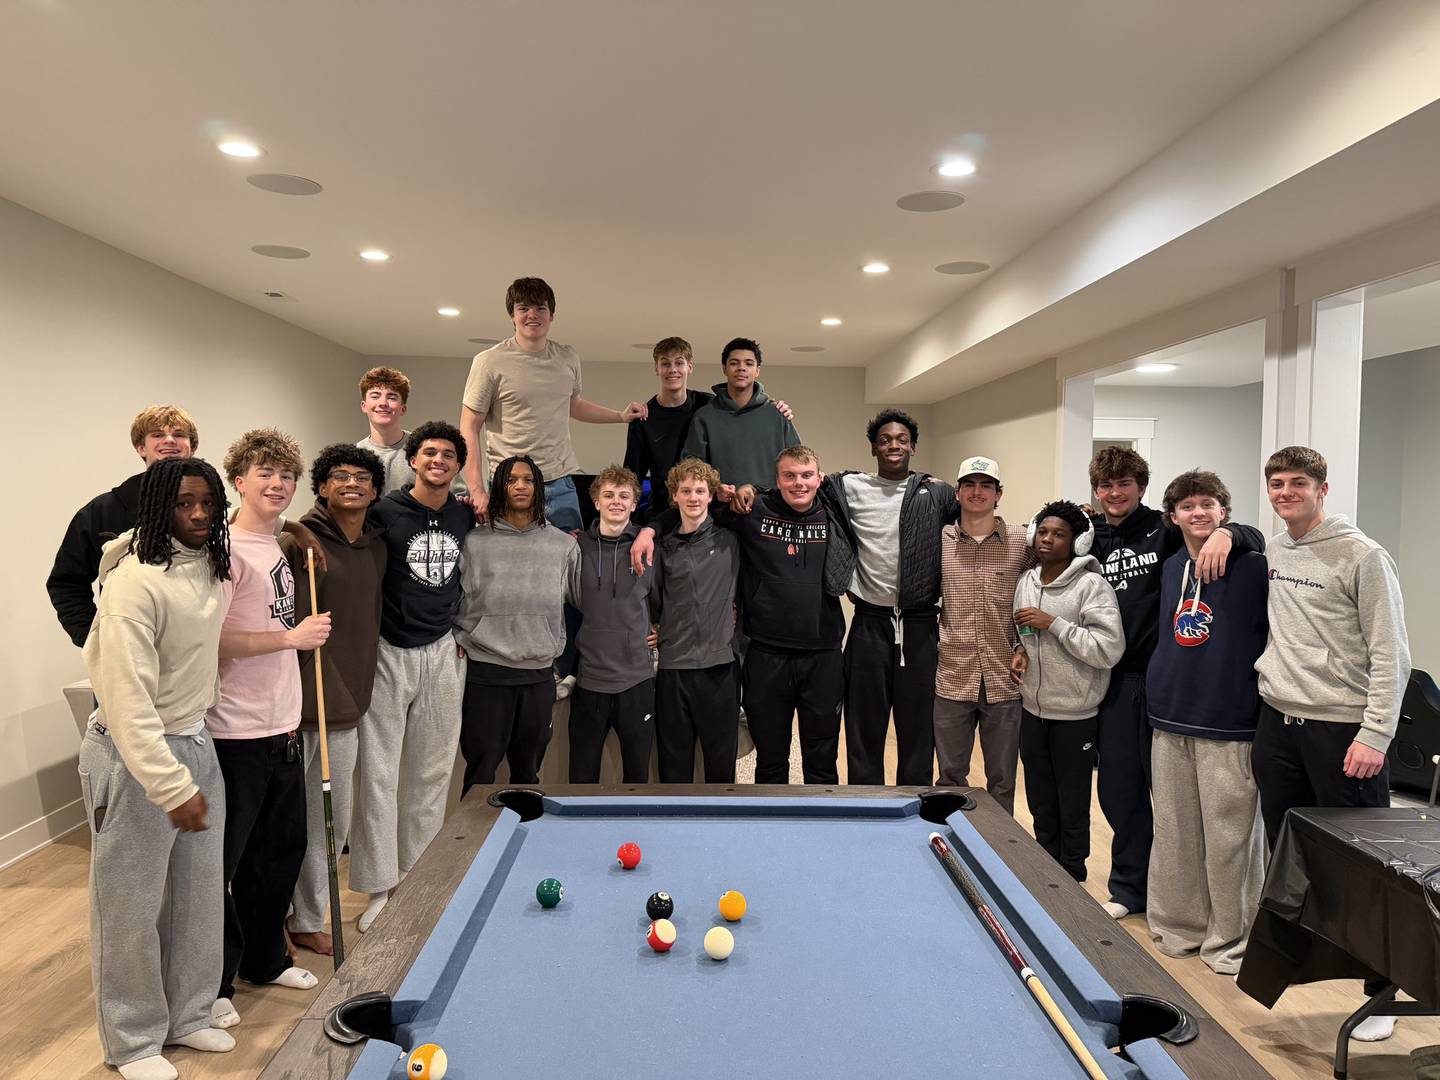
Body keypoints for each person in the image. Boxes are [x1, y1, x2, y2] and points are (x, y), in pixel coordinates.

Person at [80, 458, 237, 1080]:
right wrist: (170, 783)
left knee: (199, 896)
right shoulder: (134, 583)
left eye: (206, 503)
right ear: (156, 510)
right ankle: (133, 1040)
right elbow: (126, 703)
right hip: (132, 754)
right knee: (129, 906)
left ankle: (191, 1014)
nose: (197, 515)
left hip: (197, 742)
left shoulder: (210, 567)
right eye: (181, 504)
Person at [1252, 445, 1410, 1043]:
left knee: (1368, 870)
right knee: (1289, 857)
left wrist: (1376, 733)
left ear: (1322, 488)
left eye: (1297, 483)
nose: (1285, 492)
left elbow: (1392, 652)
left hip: (1343, 732)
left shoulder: (1363, 555)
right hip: (1278, 724)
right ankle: (1302, 963)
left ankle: (1383, 991)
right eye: (1275, 483)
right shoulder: (1275, 547)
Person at [1086, 446, 1264, 920]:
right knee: (1120, 792)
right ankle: (1130, 889)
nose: (1114, 492)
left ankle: (1199, 900)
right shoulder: (1094, 535)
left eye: (1124, 484)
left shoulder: (1162, 531)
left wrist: (1230, 530)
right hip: (1115, 682)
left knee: (1176, 801)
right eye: (1106, 485)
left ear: (1141, 489)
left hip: (1168, 682)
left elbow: (1231, 534)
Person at [209, 430, 330, 1030]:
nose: (278, 483)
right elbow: (212, 641)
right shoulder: (223, 550)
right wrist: (291, 637)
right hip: (235, 729)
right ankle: (211, 983)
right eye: (265, 473)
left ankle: (265, 959)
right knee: (224, 861)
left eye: (286, 475)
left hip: (283, 723)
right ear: (238, 481)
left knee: (280, 851)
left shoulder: (279, 545)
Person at [349, 421, 473, 934]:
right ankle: (380, 886)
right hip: (387, 652)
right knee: (378, 774)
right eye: (429, 453)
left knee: (431, 772)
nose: (438, 460)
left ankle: (418, 878)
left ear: (457, 466)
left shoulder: (465, 516)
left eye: (448, 454)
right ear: (413, 461)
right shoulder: (383, 513)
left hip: (443, 650)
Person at [1145, 470, 1267, 976]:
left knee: (1230, 839)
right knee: (1174, 832)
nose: (1199, 513)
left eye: (1209, 505)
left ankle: (1231, 940)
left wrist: (1237, 535)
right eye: (1188, 506)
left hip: (1229, 721)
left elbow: (1263, 538)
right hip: (1170, 716)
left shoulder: (1251, 563)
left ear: (1224, 511)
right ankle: (1180, 926)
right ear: (1173, 517)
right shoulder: (1172, 565)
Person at [281, 444, 387, 957]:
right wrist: (297, 526)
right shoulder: (296, 542)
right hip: (302, 700)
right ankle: (297, 917)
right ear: (321, 487)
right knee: (305, 819)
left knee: (328, 819)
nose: (352, 483)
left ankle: (301, 916)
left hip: (349, 696)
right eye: (339, 476)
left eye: (362, 477)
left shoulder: (376, 545)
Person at [823, 410, 954, 786]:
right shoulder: (848, 487)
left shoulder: (937, 493)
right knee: (863, 728)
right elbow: (801, 481)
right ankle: (866, 806)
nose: (893, 445)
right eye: (884, 440)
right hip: (869, 623)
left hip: (920, 626)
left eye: (900, 439)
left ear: (913, 446)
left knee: (918, 730)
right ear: (873, 448)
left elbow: (976, 519)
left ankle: (912, 808)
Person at [710, 446, 853, 782]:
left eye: (806, 475)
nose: (798, 483)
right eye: (789, 476)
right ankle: (770, 830)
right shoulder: (753, 510)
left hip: (823, 654)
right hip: (765, 653)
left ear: (819, 478)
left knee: (822, 758)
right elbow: (698, 510)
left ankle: (821, 827)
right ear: (776, 480)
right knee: (771, 757)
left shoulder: (836, 514)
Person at [458, 276, 645, 527]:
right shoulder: (489, 362)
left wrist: (620, 417)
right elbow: (469, 427)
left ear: (551, 314)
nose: (532, 315)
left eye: (540, 308)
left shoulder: (567, 357)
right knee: (512, 562)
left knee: (569, 560)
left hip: (560, 483)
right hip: (511, 483)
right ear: (512, 315)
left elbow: (572, 404)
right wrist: (477, 489)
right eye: (523, 308)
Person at [454, 455, 581, 791]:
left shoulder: (564, 546)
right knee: (480, 776)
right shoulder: (475, 541)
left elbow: (582, 602)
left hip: (538, 675)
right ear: (500, 487)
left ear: (538, 488)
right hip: (486, 674)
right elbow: (454, 601)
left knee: (528, 777)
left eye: (527, 480)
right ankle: (473, 846)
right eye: (511, 480)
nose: (520, 486)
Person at [1013, 500, 1123, 884]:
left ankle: (1072, 878)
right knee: (1041, 801)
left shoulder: (1091, 585)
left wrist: (1055, 624)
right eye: (1043, 531)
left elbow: (1108, 649)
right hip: (1032, 709)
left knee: (1072, 804)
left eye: (1059, 534)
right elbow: (1023, 633)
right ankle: (1046, 874)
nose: (1047, 539)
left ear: (1077, 542)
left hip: (1075, 716)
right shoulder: (1026, 581)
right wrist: (1019, 652)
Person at [933, 455, 1034, 810]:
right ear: (958, 493)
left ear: (998, 494)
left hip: (1004, 678)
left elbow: (1043, 593)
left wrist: (1024, 646)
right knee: (949, 777)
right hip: (952, 674)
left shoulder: (1023, 542)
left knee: (1003, 781)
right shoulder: (940, 540)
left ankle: (999, 853)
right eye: (970, 485)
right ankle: (949, 846)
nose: (978, 492)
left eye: (986, 485)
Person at [48, 405, 198, 647]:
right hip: (127, 649)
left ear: (191, 447)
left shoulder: (218, 512)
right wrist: (95, 639)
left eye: (179, 435)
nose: (169, 440)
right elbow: (66, 582)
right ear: (141, 447)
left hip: (197, 651)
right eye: (158, 434)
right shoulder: (103, 511)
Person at [625, 336, 793, 522]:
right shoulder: (645, 418)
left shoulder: (707, 405)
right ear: (657, 368)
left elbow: (742, 402)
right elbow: (632, 478)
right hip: (665, 512)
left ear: (689, 366)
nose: (672, 370)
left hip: (717, 512)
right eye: (665, 364)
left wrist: (775, 409)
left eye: (679, 363)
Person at [568, 466, 660, 784]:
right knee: (582, 777)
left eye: (624, 496)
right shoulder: (576, 548)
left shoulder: (650, 550)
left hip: (636, 679)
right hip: (589, 679)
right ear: (596, 502)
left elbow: (668, 602)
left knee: (636, 775)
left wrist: (663, 630)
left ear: (635, 503)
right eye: (608, 495)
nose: (616, 502)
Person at [652, 458, 742, 783]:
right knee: (674, 766)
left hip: (719, 666)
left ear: (710, 495)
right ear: (674, 495)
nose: (693, 497)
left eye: (700, 490)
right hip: (674, 667)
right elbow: (653, 601)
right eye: (685, 490)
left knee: (720, 765)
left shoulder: (730, 541)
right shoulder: (662, 548)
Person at [680, 337, 802, 489]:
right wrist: (718, 489)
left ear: (757, 370)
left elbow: (798, 464)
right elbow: (692, 470)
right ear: (724, 368)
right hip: (722, 508)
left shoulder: (777, 414)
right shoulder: (704, 417)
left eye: (749, 363)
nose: (741, 368)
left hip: (772, 508)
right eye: (734, 363)